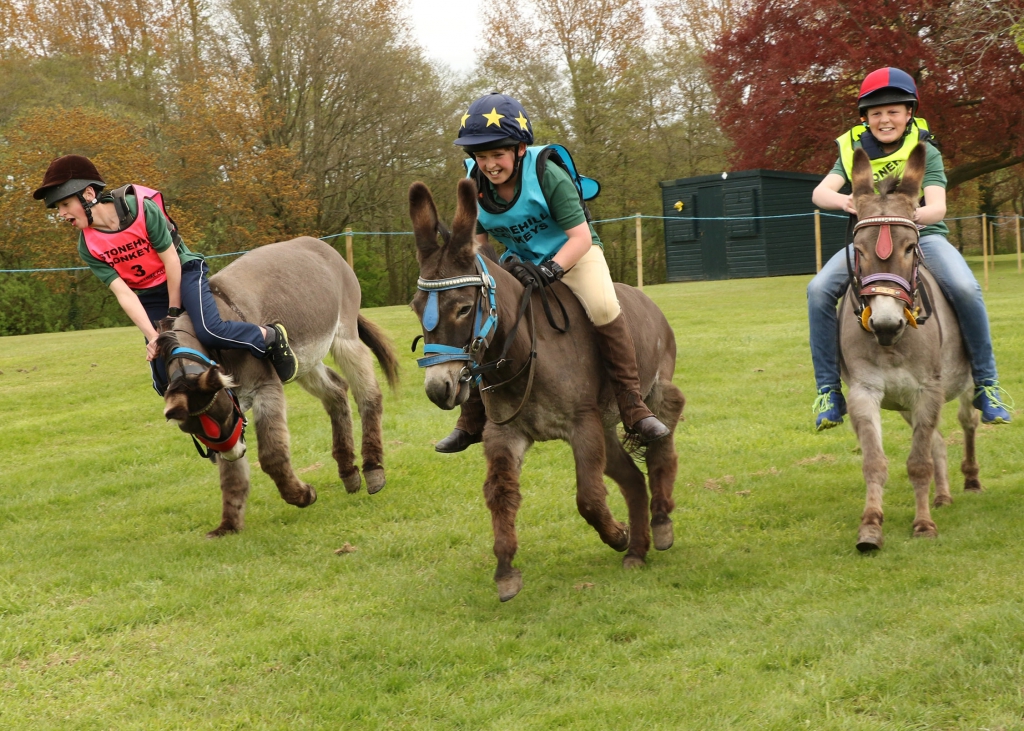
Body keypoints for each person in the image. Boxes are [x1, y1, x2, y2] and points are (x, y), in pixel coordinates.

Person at [433, 92, 670, 453]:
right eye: (482, 156)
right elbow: (477, 245)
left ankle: (632, 404)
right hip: (521, 261)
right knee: (484, 315)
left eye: (498, 154)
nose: (490, 165)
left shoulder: (548, 175)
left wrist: (551, 268)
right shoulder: (473, 182)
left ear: (520, 149)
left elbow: (578, 237)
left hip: (574, 255)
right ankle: (472, 415)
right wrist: (491, 274)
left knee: (604, 306)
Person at [807, 67, 1012, 430]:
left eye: (893, 111)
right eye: (876, 113)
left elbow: (937, 206)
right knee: (819, 289)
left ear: (909, 113)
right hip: (869, 240)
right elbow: (820, 193)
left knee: (965, 288)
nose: (885, 119)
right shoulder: (853, 151)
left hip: (921, 235)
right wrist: (847, 203)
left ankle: (987, 384)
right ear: (865, 118)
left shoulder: (926, 152)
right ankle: (829, 390)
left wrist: (905, 216)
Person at [33, 154, 299, 395]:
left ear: (89, 194)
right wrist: (153, 336)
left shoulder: (140, 210)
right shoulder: (86, 246)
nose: (62, 214)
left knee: (209, 331)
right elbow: (124, 293)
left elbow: (171, 261)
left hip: (185, 274)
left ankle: (269, 337)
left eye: (65, 204)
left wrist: (172, 315)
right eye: (58, 208)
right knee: (164, 381)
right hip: (148, 293)